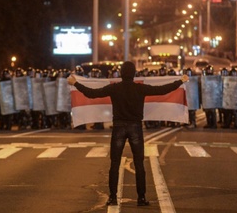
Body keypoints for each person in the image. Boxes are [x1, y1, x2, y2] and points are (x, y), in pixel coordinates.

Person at [67, 61, 188, 207]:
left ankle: (112, 198)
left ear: (121, 74)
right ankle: (141, 198)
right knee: (139, 164)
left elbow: (92, 94)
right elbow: (162, 90)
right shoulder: (140, 88)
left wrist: (75, 83)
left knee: (115, 164)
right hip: (135, 127)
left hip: (118, 127)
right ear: (134, 74)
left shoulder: (115, 88)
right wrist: (180, 80)